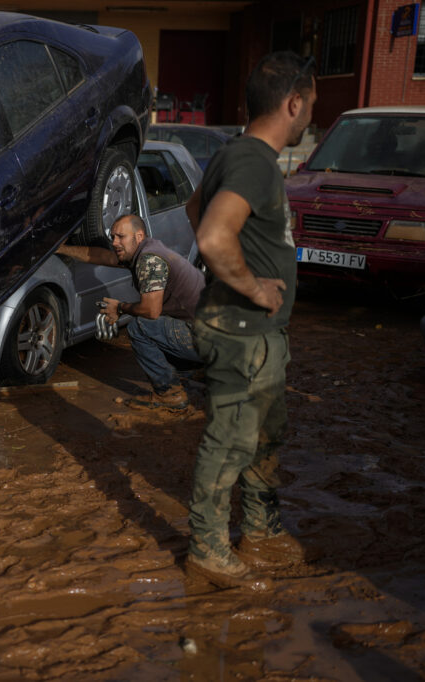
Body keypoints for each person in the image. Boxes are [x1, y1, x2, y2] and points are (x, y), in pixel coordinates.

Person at [183, 51, 316, 590]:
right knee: (231, 442)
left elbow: (194, 207)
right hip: (241, 333)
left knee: (263, 437)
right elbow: (211, 234)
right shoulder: (254, 162)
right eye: (311, 106)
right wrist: (253, 283)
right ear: (293, 103)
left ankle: (260, 529)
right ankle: (208, 550)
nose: (310, 116)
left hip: (257, 334)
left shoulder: (235, 153)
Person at [57, 214, 205, 410]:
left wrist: (120, 307)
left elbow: (151, 311)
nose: (115, 242)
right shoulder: (146, 249)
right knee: (160, 324)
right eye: (112, 237)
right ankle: (192, 371)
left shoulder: (149, 259)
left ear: (139, 236)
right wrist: (60, 249)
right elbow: (102, 256)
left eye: (120, 237)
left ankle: (170, 394)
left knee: (140, 326)